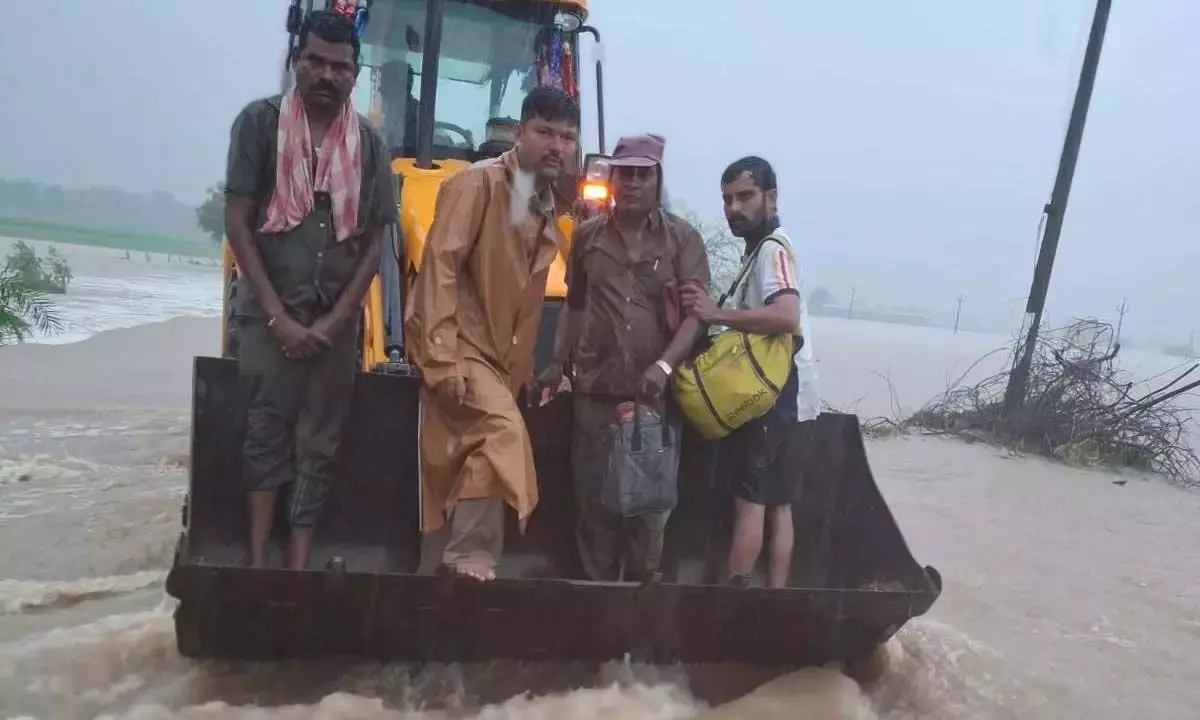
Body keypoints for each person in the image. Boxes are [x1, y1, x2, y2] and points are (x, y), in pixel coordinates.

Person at [223, 11, 400, 570]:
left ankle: (296, 566)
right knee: (264, 431)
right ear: (296, 62)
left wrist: (334, 323)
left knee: (319, 443)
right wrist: (277, 318)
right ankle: (256, 564)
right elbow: (238, 222)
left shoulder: (371, 147)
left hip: (335, 326)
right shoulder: (258, 125)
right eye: (316, 62)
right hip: (269, 313)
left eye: (340, 67)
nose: (327, 75)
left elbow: (375, 244)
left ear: (354, 74)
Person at [405, 85, 581, 582]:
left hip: (497, 357)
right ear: (519, 132)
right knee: (501, 431)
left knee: (465, 454)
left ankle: (435, 570)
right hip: (457, 341)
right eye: (545, 132)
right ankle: (471, 557)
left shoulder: (542, 201)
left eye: (566, 137)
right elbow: (439, 265)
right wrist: (441, 356)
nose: (556, 146)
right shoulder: (476, 185)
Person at [540, 134, 710, 582]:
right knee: (594, 506)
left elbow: (698, 317)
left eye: (643, 174)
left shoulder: (683, 240)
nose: (633, 183)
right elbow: (574, 306)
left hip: (656, 398)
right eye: (625, 173)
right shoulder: (589, 236)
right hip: (595, 391)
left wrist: (665, 365)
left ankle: (638, 607)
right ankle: (598, 612)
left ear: (657, 180)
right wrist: (556, 365)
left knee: (649, 511)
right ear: (611, 179)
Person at [680, 155, 819, 588]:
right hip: (796, 396)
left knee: (751, 500)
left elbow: (785, 316)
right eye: (726, 199)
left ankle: (731, 600)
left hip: (773, 394)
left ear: (770, 198)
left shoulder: (772, 250)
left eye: (745, 196)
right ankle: (775, 598)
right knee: (779, 502)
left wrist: (713, 313)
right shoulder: (764, 249)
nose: (733, 208)